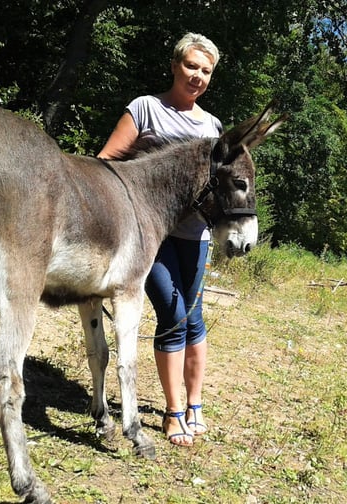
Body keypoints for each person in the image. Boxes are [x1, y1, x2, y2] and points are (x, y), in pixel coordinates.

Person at [97, 33, 221, 447]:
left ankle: (195, 404)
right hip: (149, 235)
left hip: (195, 236)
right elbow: (104, 166)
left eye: (206, 71)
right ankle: (172, 412)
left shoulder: (211, 126)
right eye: (191, 66)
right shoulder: (145, 109)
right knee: (173, 313)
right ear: (174, 65)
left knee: (195, 318)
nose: (197, 76)